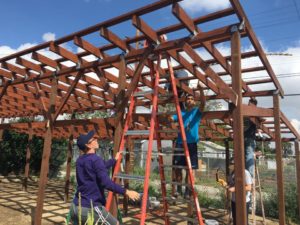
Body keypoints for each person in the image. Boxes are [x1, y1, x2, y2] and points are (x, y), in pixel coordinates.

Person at [70, 130, 140, 225]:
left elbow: (100, 167)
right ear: (88, 145)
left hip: (75, 207)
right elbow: (106, 183)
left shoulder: (80, 160)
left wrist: (114, 160)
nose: (96, 139)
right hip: (91, 208)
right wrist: (127, 192)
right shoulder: (95, 159)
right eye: (93, 139)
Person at [169, 92, 205, 198]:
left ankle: (187, 191)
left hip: (191, 144)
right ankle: (179, 189)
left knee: (190, 169)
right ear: (185, 102)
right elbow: (172, 118)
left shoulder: (196, 112)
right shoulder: (181, 113)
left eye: (191, 98)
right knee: (177, 168)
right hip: (180, 142)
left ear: (194, 102)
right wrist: (168, 117)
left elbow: (203, 103)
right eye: (188, 98)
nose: (189, 100)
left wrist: (201, 90)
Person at [227, 158, 253, 225]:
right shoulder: (232, 173)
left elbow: (249, 187)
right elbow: (231, 184)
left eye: (232, 164)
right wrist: (227, 186)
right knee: (235, 220)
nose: (230, 166)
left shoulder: (245, 172)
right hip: (234, 200)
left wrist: (235, 189)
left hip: (243, 201)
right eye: (230, 164)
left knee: (243, 221)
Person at [244, 98, 258, 177]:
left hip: (250, 139)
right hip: (244, 139)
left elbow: (259, 120)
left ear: (254, 104)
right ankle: (245, 177)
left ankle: (250, 178)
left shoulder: (255, 112)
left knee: (249, 157)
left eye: (250, 103)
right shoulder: (247, 112)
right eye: (249, 103)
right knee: (244, 158)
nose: (248, 104)